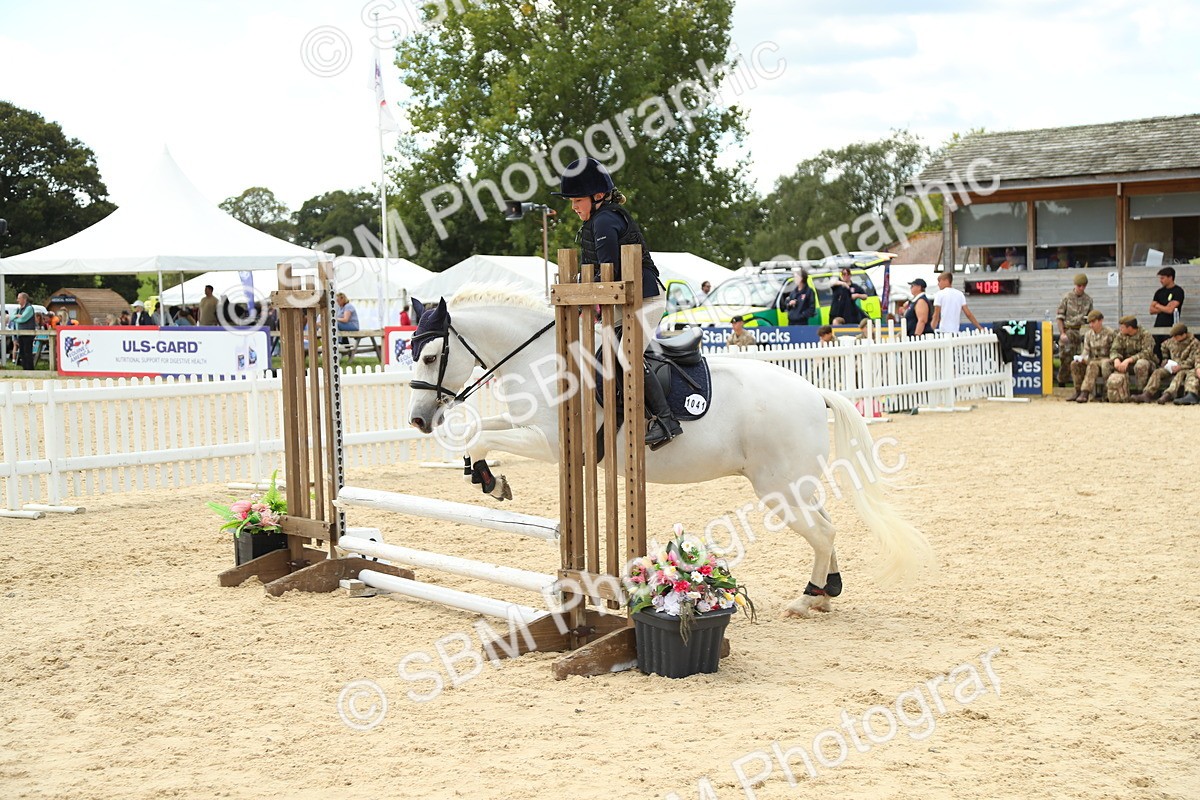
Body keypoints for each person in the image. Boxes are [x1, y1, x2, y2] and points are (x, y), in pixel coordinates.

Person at [553, 156, 680, 450]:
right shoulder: (596, 221)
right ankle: (623, 411)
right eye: (571, 201)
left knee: (624, 357)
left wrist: (580, 292)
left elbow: (609, 270)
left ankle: (665, 420)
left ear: (597, 196)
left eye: (577, 200)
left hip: (646, 300)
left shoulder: (605, 220)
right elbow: (595, 271)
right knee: (605, 359)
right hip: (626, 303)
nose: (573, 207)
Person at [1132, 323, 1199, 404]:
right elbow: (1163, 346)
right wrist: (1165, 359)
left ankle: (1167, 394)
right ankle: (1147, 394)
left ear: (1184, 335)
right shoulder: (1172, 341)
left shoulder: (1194, 343)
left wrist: (1180, 367)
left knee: (1179, 375)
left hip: (1185, 368)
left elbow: (1193, 359)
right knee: (1158, 372)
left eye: (1176, 336)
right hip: (1172, 366)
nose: (1174, 338)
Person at [1104, 315, 1157, 403]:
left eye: (1122, 327)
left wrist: (1129, 360)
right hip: (1126, 363)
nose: (1120, 329)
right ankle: (1109, 393)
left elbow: (1147, 353)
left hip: (1146, 363)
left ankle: (1141, 393)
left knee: (1141, 364)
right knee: (1107, 364)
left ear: (1130, 328)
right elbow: (1114, 349)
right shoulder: (1121, 335)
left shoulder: (1145, 335)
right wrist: (1116, 359)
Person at [1070, 310, 1116, 403]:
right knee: (1075, 364)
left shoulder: (1110, 333)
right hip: (1093, 360)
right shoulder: (1088, 334)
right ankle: (1079, 391)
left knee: (1098, 364)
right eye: (1089, 323)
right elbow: (1086, 350)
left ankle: (1103, 393)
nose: (1091, 325)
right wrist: (1082, 358)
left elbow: (1114, 351)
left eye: (1093, 322)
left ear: (1100, 321)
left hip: (1106, 359)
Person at [1055, 273, 1093, 387]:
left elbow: (1091, 317)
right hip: (1069, 330)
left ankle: (1080, 383)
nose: (1081, 288)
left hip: (1081, 331)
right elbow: (1060, 317)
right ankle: (1062, 381)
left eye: (1083, 286)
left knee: (1082, 358)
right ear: (1075, 285)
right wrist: (1062, 333)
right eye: (1079, 286)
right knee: (1065, 356)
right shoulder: (1067, 298)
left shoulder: (1088, 300)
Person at [1149, 266, 1184, 360]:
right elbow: (1151, 310)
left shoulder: (1178, 291)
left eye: (1163, 278)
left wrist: (1158, 306)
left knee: (1168, 351)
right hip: (1158, 326)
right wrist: (1165, 307)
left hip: (1171, 326)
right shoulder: (1159, 292)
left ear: (1170, 277)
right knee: (1156, 349)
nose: (1161, 280)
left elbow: (1170, 310)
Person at [12, 292, 37, 370]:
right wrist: (17, 316)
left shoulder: (29, 308)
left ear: (24, 299)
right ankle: (25, 369)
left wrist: (17, 318)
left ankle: (30, 369)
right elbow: (11, 318)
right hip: (20, 334)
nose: (17, 300)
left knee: (27, 352)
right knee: (22, 353)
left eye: (19, 298)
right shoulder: (18, 309)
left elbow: (23, 319)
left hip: (28, 334)